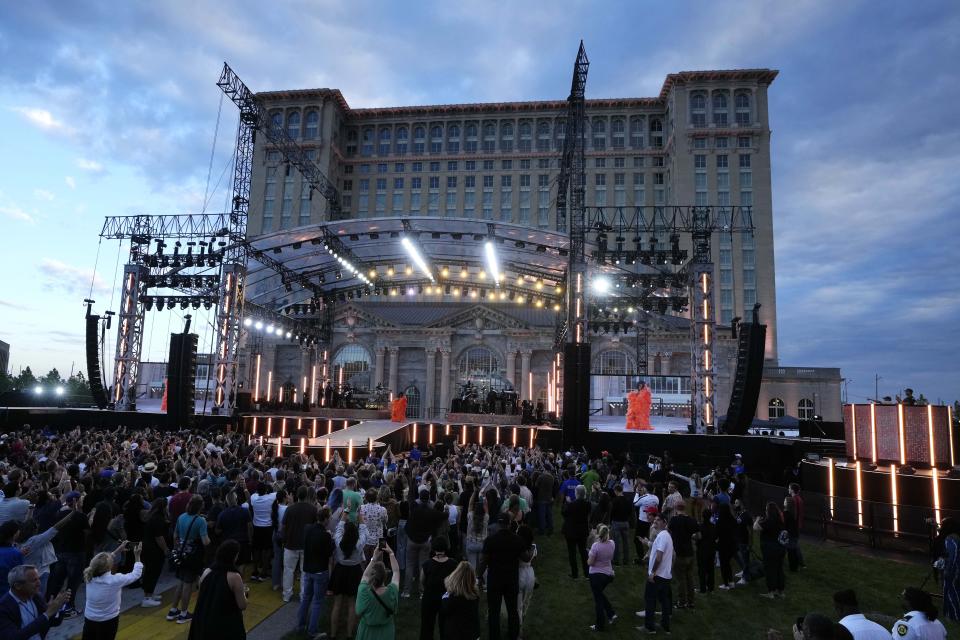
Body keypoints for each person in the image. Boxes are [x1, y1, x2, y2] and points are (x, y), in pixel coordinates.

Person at [480, 512, 530, 640]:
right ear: (509, 524)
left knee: (494, 611)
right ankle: (513, 636)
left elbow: (484, 561)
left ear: (498, 524)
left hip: (494, 579)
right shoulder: (517, 540)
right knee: (512, 610)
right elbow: (525, 558)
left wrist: (478, 576)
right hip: (511, 579)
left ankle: (494, 636)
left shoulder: (490, 540)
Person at [81, 543, 143, 640]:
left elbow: (101, 562)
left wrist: (118, 550)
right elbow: (136, 574)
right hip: (108, 621)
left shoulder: (89, 576)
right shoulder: (115, 580)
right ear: (109, 567)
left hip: (90, 619)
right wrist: (137, 556)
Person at [188, 539, 247, 640]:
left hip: (204, 622)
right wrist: (245, 593)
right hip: (225, 625)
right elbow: (242, 605)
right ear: (233, 556)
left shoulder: (206, 572)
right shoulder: (234, 577)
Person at [167, 495, 211, 625]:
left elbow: (175, 535)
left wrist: (178, 548)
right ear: (201, 506)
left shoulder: (181, 517)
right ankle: (184, 614)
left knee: (180, 583)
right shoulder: (200, 521)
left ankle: (173, 610)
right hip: (193, 556)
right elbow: (205, 541)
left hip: (181, 554)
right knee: (187, 585)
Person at [0, 564, 70, 640]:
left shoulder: (36, 596)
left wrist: (59, 607)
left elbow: (53, 622)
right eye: (34, 580)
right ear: (18, 586)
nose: (39, 583)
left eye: (38, 578)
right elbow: (14, 637)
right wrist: (47, 614)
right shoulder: (3, 607)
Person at [297, 507, 335, 639]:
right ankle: (312, 631)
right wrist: (331, 539)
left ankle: (301, 625)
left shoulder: (308, 529)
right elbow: (329, 552)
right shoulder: (325, 535)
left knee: (306, 598)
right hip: (320, 571)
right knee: (318, 602)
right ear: (324, 519)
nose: (330, 520)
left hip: (308, 570)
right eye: (329, 517)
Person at [330, 512, 368, 640]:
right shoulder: (359, 544)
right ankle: (349, 634)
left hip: (340, 571)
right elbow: (364, 533)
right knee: (352, 604)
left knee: (337, 604)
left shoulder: (339, 541)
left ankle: (333, 634)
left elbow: (339, 529)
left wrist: (345, 514)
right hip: (354, 571)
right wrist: (361, 518)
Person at [354, 545, 400, 640]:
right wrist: (391, 553)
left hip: (367, 632)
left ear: (372, 576)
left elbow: (365, 575)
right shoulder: (392, 592)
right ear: (385, 576)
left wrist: (373, 558)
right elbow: (396, 571)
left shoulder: (363, 591)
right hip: (386, 633)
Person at [282, 486, 318, 602]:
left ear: (297, 495)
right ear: (307, 495)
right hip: (306, 545)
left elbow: (283, 526)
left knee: (288, 570)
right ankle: (303, 595)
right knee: (305, 572)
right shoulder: (313, 509)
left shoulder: (290, 509)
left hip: (290, 543)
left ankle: (287, 595)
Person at [640, 513, 673, 635]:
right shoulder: (665, 536)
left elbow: (659, 557)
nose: (656, 521)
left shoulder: (663, 536)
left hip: (657, 575)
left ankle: (649, 627)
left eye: (659, 520)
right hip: (665, 575)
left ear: (665, 522)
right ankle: (665, 626)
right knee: (664, 601)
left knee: (650, 600)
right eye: (655, 520)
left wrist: (652, 572)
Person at [420, 536, 456, 640]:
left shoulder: (427, 564)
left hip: (429, 597)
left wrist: (424, 590)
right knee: (446, 626)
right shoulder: (453, 564)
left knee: (427, 626)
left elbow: (422, 581)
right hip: (447, 597)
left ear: (433, 548)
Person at [667, 501, 699, 608]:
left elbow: (668, 532)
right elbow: (698, 536)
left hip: (679, 553)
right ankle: (691, 601)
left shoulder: (674, 520)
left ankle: (682, 602)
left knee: (680, 579)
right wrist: (690, 536)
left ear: (676, 508)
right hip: (690, 552)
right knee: (690, 577)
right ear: (685, 508)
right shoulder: (691, 520)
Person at [140, 497, 170, 607]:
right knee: (153, 572)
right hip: (154, 550)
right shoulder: (158, 519)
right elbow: (159, 537)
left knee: (151, 571)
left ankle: (149, 594)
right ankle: (147, 597)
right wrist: (165, 549)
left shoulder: (152, 516)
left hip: (148, 548)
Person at [439, 561, 481, 640]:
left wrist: (445, 596)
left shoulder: (452, 597)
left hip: (454, 633)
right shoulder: (474, 595)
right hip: (472, 633)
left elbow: (445, 610)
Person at [586, 524, 616, 631]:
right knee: (599, 594)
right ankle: (611, 613)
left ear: (598, 533)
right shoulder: (612, 543)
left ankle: (600, 626)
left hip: (596, 576)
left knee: (598, 600)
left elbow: (590, 562)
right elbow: (609, 557)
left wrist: (589, 554)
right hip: (607, 575)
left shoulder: (595, 546)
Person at [754, 501, 786, 599]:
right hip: (780, 548)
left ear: (768, 511)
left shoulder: (769, 521)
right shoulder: (780, 520)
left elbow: (756, 528)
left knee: (770, 570)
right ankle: (780, 591)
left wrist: (757, 520)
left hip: (770, 549)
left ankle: (771, 592)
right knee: (779, 569)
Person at [561, 485, 591, 579]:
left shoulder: (571, 504)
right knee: (583, 552)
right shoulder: (587, 504)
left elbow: (564, 513)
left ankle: (575, 574)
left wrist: (567, 503)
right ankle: (587, 573)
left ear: (577, 493)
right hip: (582, 530)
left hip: (571, 531)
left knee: (572, 553)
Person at [516, 524, 537, 630]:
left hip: (519, 574)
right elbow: (533, 561)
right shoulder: (533, 547)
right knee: (525, 602)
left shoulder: (516, 546)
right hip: (530, 574)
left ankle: (518, 630)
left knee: (518, 606)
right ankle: (522, 621)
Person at [938, 517, 959, 622]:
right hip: (955, 570)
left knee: (950, 592)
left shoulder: (950, 539)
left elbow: (952, 556)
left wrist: (947, 570)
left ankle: (954, 616)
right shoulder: (956, 537)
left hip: (953, 572)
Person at [609, 484, 633, 566]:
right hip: (625, 522)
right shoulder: (628, 500)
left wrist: (610, 521)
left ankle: (616, 560)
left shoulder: (614, 500)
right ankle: (626, 560)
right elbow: (630, 511)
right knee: (626, 542)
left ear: (616, 491)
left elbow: (612, 512)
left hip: (616, 522)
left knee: (616, 542)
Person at [696, 506, 716, 593]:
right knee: (711, 569)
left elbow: (698, 538)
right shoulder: (714, 526)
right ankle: (711, 587)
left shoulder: (700, 527)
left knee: (702, 570)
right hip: (711, 550)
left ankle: (703, 588)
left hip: (702, 550)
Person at [782, 496, 801, 572]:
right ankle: (795, 567)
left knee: (790, 552)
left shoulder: (785, 513)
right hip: (795, 534)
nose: (784, 502)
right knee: (793, 551)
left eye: (785, 501)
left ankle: (793, 568)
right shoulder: (794, 512)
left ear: (787, 503)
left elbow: (783, 524)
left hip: (789, 535)